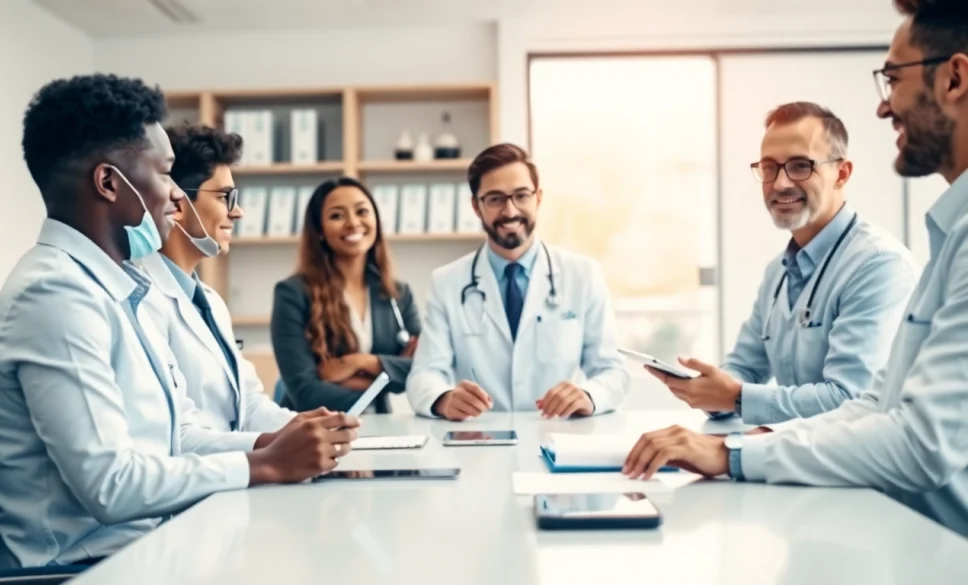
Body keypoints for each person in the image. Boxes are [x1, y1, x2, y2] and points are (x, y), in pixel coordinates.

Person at [0, 74, 358, 570]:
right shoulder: (55, 295)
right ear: (110, 183)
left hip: (148, 546)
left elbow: (178, 436)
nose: (177, 197)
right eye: (165, 174)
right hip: (80, 568)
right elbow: (111, 487)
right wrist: (262, 464)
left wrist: (273, 444)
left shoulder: (114, 287)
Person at [623, 0, 968, 537]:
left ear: (955, 78)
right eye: (768, 167)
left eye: (892, 79)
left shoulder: (882, 262)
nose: (883, 108)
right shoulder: (946, 235)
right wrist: (725, 430)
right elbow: (878, 402)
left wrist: (732, 443)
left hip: (925, 536)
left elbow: (912, 436)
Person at [644, 102, 918, 426]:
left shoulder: (879, 266)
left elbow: (850, 400)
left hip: (858, 471)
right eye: (769, 167)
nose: (780, 183)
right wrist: (709, 390)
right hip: (800, 458)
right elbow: (745, 367)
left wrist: (735, 397)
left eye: (801, 166)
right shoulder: (778, 272)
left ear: (841, 174)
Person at [406, 143, 629, 421]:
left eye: (521, 195)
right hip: (481, 440)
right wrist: (443, 399)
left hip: (557, 437)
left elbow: (614, 372)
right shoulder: (447, 282)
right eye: (495, 199)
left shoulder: (582, 274)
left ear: (538, 198)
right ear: (476, 206)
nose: (510, 211)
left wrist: (588, 395)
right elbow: (423, 375)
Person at [137, 122, 309, 432]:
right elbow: (178, 433)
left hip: (234, 468)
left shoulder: (211, 302)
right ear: (177, 201)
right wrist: (272, 452)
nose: (238, 212)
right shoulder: (143, 301)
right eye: (225, 197)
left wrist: (307, 427)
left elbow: (250, 404)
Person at [270, 176, 421, 413]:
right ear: (319, 230)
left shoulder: (398, 294)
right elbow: (304, 392)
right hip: (313, 430)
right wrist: (387, 377)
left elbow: (422, 370)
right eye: (337, 216)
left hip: (381, 427)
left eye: (362, 211)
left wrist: (359, 363)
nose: (352, 223)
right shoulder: (292, 294)